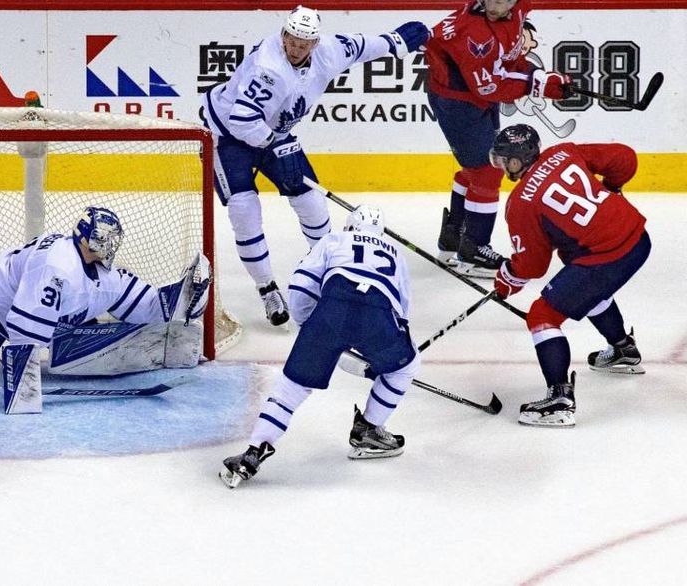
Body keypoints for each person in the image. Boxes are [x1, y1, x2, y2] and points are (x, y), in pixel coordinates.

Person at [201, 6, 430, 325]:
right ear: (284, 35)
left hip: (273, 134)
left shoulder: (329, 51)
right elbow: (242, 121)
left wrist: (394, 41)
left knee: (311, 200)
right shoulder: (268, 67)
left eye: (303, 43)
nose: (295, 48)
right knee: (244, 209)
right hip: (228, 135)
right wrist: (276, 147)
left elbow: (361, 47)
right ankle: (267, 288)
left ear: (315, 43)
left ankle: (328, 271)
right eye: (291, 40)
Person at [0, 206, 212, 414]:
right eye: (103, 240)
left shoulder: (105, 274)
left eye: (113, 240)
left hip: (39, 310)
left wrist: (184, 298)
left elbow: (150, 307)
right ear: (85, 238)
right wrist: (21, 392)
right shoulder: (56, 266)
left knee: (85, 321)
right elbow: (23, 335)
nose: (110, 247)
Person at [220, 205, 419, 488]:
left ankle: (253, 453)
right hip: (377, 316)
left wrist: (310, 328)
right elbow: (402, 310)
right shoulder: (395, 252)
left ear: (350, 225)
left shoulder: (334, 239)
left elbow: (301, 287)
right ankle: (369, 429)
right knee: (406, 367)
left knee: (290, 389)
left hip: (329, 312)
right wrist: (386, 356)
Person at [489, 124, 649, 427]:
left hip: (607, 257)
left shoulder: (521, 203)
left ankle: (559, 400)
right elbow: (625, 158)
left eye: (504, 159)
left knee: (541, 315)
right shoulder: (563, 152)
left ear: (517, 160)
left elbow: (533, 265)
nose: (500, 165)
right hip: (638, 239)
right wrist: (612, 189)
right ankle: (622, 349)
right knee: (581, 279)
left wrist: (508, 277)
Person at [426, 0, 570, 278]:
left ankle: (454, 236)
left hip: (473, 99)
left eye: (502, 1)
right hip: (460, 103)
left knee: (476, 169)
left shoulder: (517, 10)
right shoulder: (475, 34)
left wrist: (538, 76)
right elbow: (490, 85)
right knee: (488, 171)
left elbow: (507, 61)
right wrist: (541, 84)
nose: (494, 6)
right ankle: (475, 250)